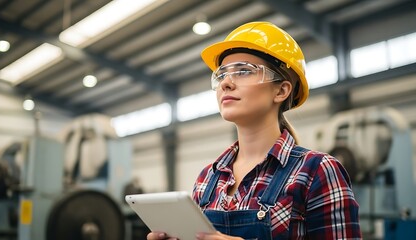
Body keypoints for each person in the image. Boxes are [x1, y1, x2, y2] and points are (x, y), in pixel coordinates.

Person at [148, 21, 361, 239]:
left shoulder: (317, 171)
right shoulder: (207, 179)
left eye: (243, 71)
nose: (225, 84)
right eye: (221, 75)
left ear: (281, 90)